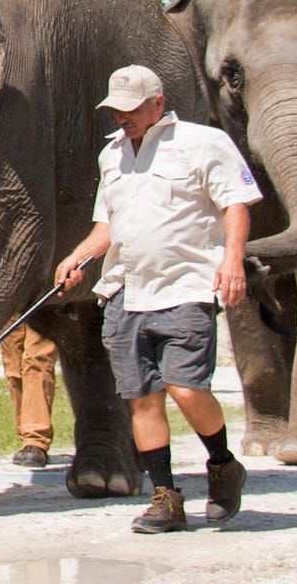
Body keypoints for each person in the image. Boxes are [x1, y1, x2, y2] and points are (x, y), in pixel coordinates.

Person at [51, 64, 259, 534]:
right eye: (115, 109)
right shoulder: (112, 156)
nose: (121, 117)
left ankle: (224, 464)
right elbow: (107, 226)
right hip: (126, 289)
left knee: (186, 388)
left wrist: (233, 261)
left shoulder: (205, 144)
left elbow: (235, 204)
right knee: (143, 399)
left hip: (186, 286)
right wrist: (77, 257)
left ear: (158, 103)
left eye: (130, 108)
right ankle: (166, 498)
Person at [0, 322, 58, 468]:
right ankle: (26, 436)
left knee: (39, 358)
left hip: (42, 303)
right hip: (8, 302)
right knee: (13, 365)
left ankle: (35, 439)